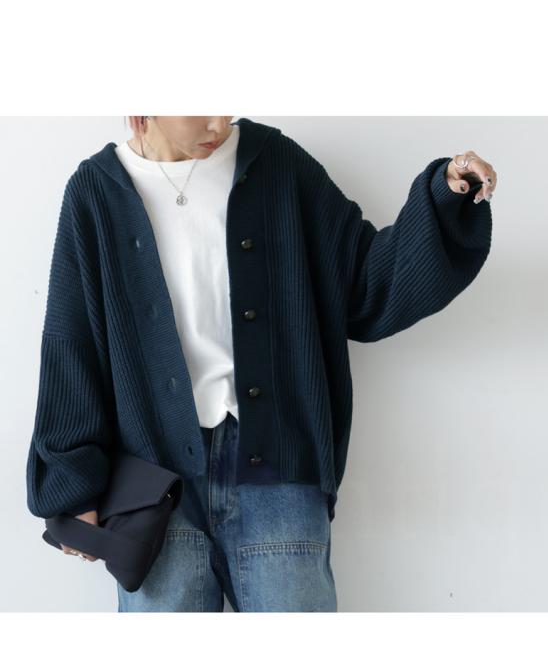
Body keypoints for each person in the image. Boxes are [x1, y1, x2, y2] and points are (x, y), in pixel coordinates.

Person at [26, 115, 496, 611]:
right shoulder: (95, 192)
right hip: (152, 485)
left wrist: (445, 197)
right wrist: (72, 489)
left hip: (277, 470)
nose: (218, 120)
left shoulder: (276, 164)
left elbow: (364, 281)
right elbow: (72, 344)